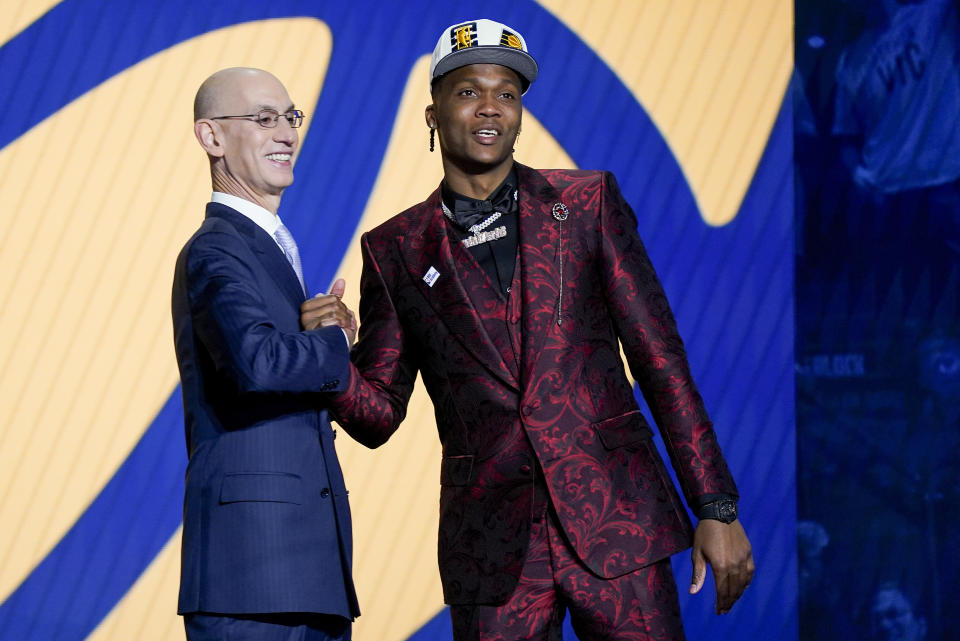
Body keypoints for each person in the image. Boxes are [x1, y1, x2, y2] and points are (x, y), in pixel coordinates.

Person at [307, 20, 753, 640]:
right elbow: (377, 416)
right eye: (468, 92)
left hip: (617, 523)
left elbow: (660, 360)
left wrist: (716, 506)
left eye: (507, 94)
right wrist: (325, 350)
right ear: (433, 112)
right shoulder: (395, 249)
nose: (490, 108)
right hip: (492, 549)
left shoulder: (588, 204)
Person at [172, 67, 359, 641]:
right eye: (263, 118)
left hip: (308, 573)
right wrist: (333, 342)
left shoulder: (269, 246)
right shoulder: (216, 248)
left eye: (290, 117)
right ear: (212, 138)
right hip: (252, 574)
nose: (285, 133)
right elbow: (257, 363)